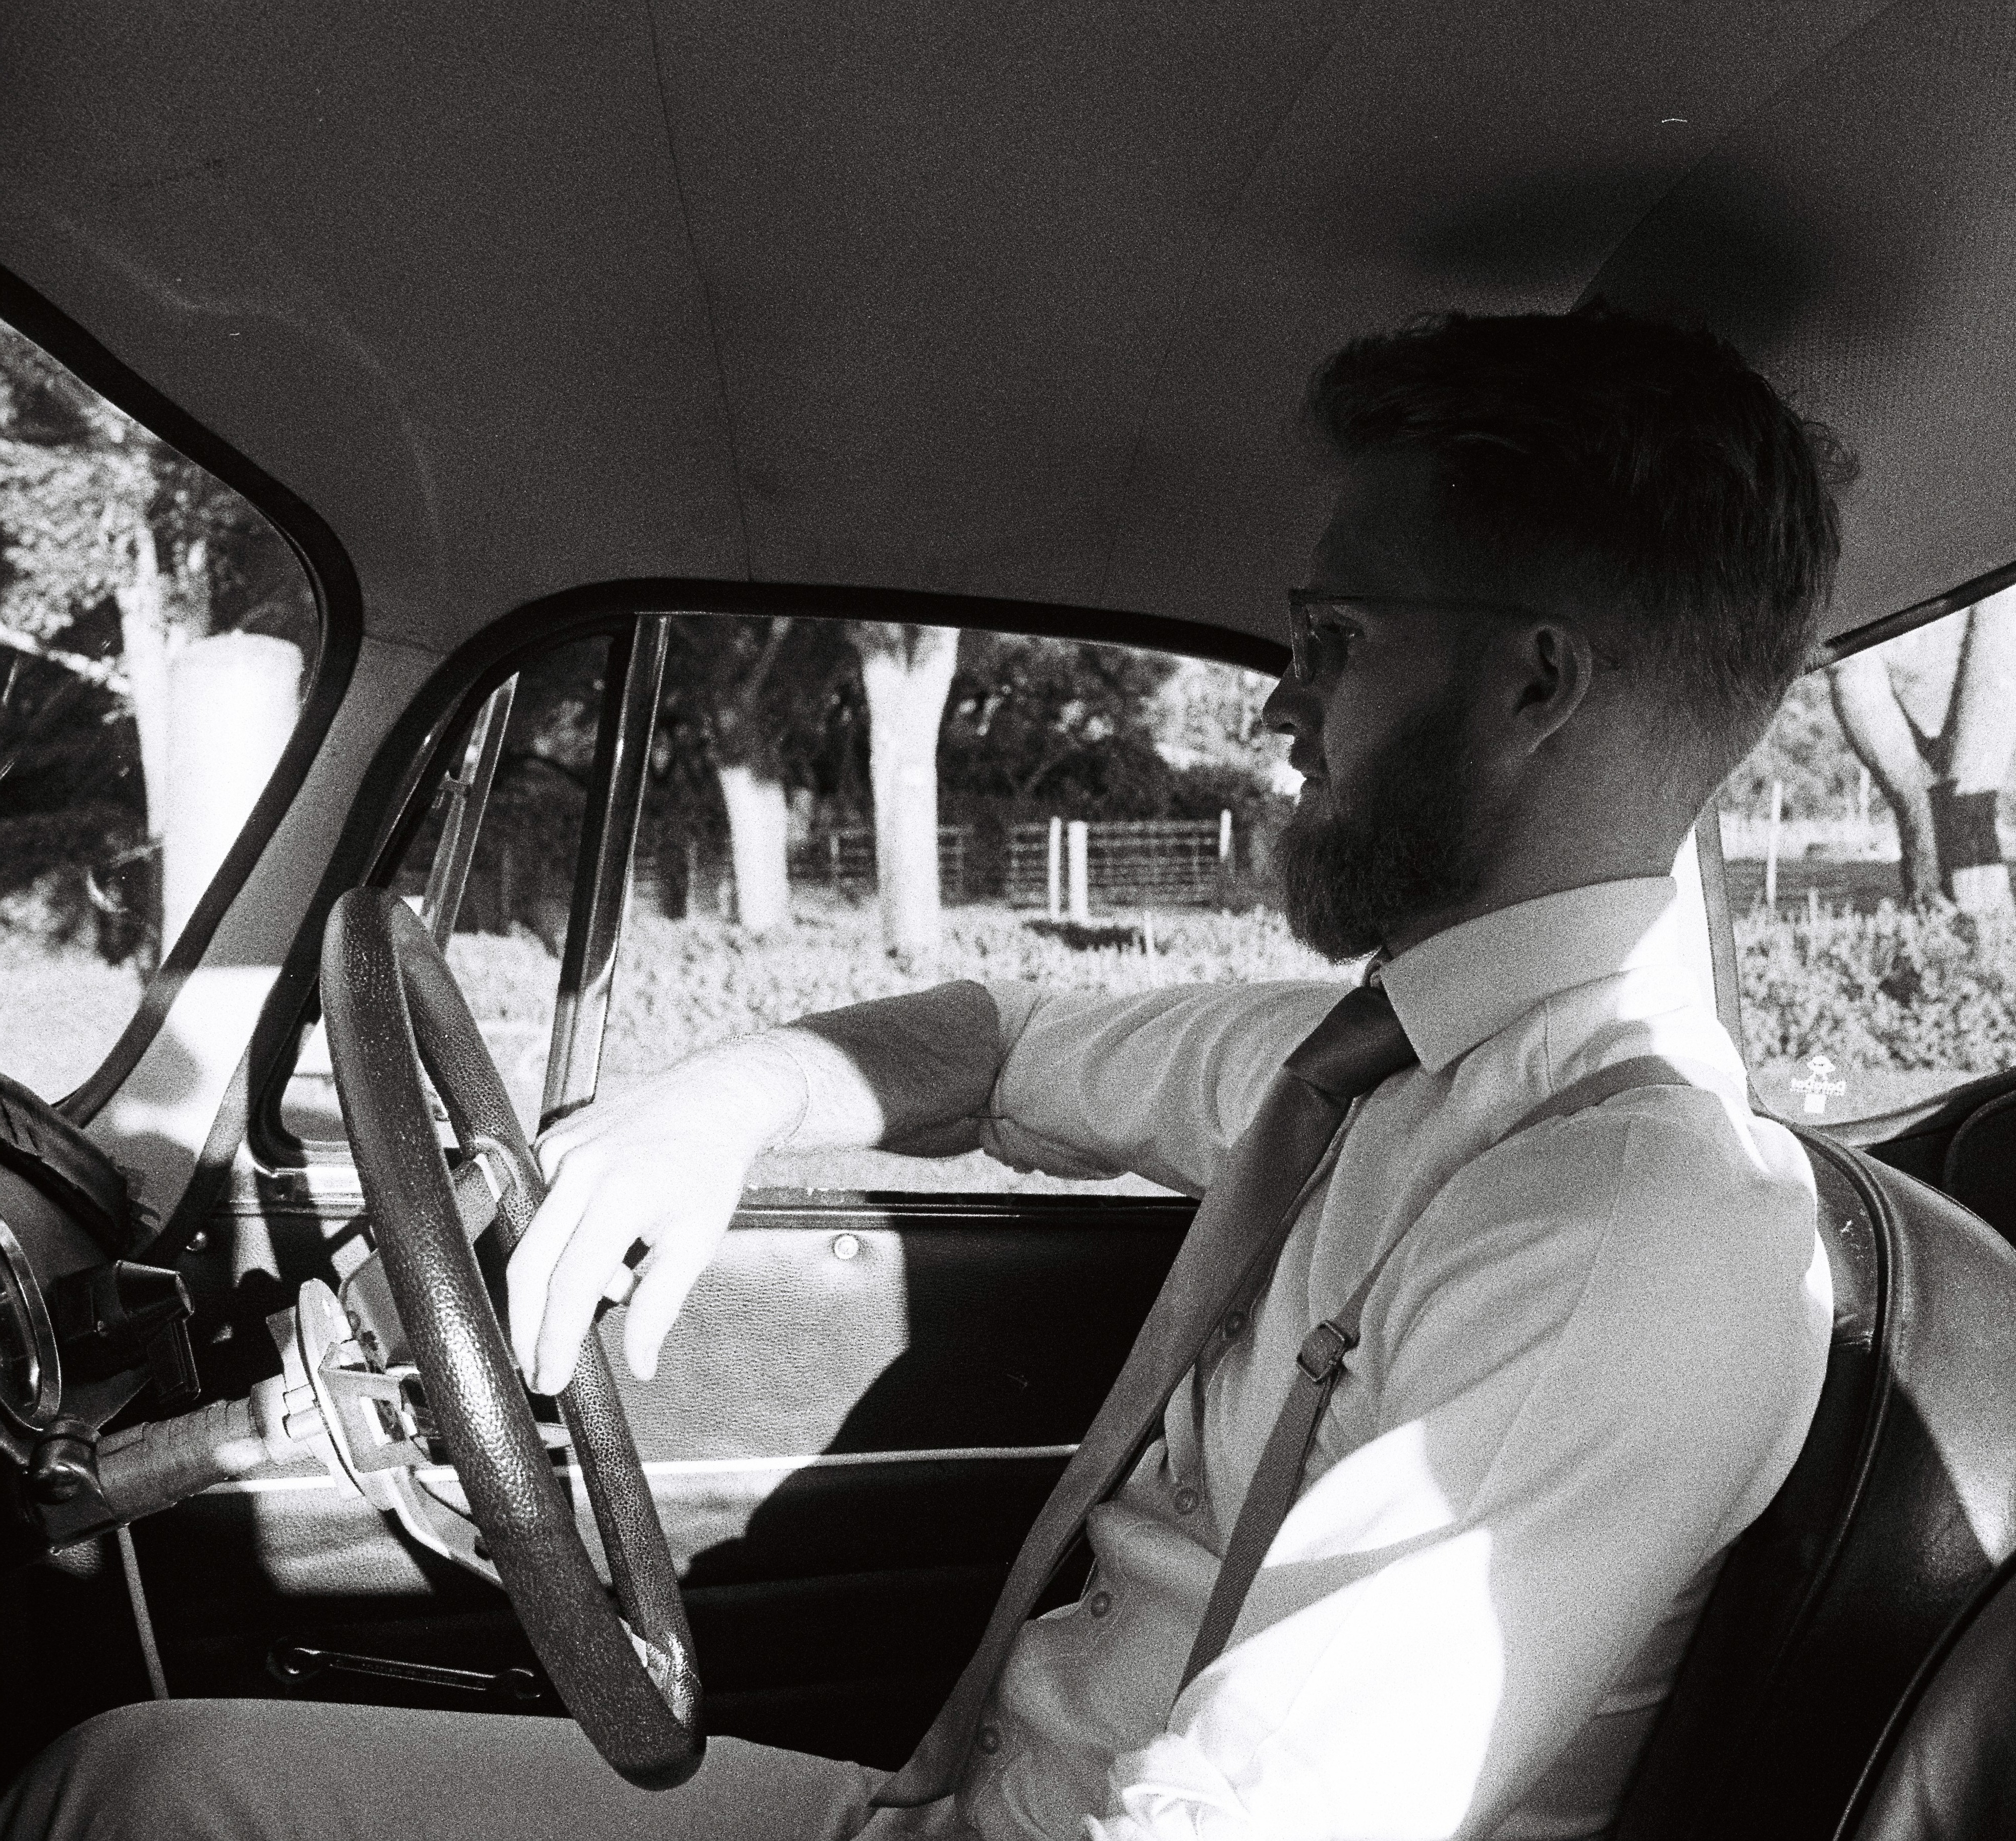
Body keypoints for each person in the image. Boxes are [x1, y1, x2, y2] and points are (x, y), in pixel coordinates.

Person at [3, 305, 1846, 1841]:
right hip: (945, 1805)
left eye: (1333, 643)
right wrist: (714, 1104)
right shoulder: (1377, 1056)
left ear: (1538, 688)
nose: (1276, 706)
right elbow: (1003, 1041)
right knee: (147, 1789)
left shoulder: (1632, 1220)